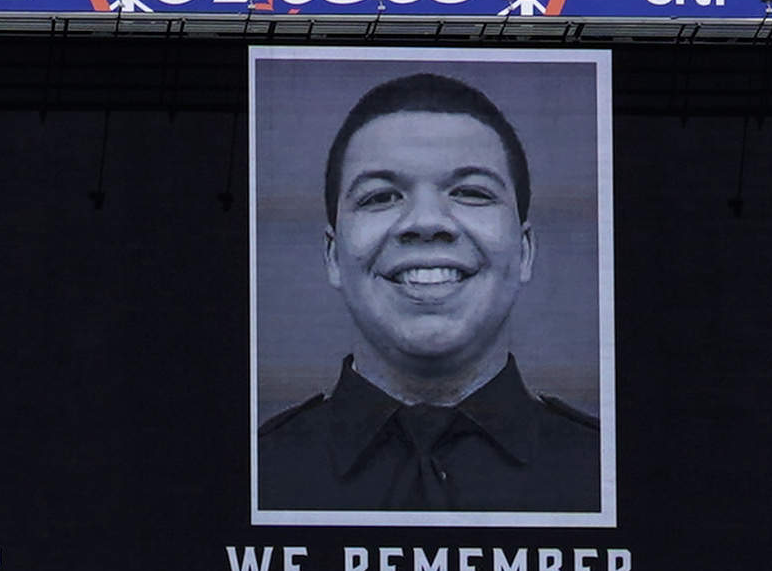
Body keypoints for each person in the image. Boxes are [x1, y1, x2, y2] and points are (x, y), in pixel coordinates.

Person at [252, 70, 598, 518]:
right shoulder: (256, 471)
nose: (427, 222)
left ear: (525, 250)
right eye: (380, 197)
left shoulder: (605, 470)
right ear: (333, 255)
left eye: (471, 192)